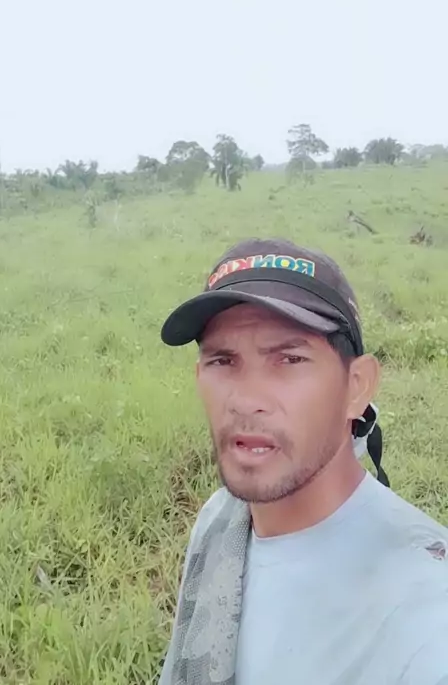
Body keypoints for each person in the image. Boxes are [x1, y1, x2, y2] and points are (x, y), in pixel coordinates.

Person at [158, 237, 448, 685]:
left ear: (356, 386)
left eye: (289, 359)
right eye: (223, 360)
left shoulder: (427, 615)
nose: (245, 400)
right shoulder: (220, 522)